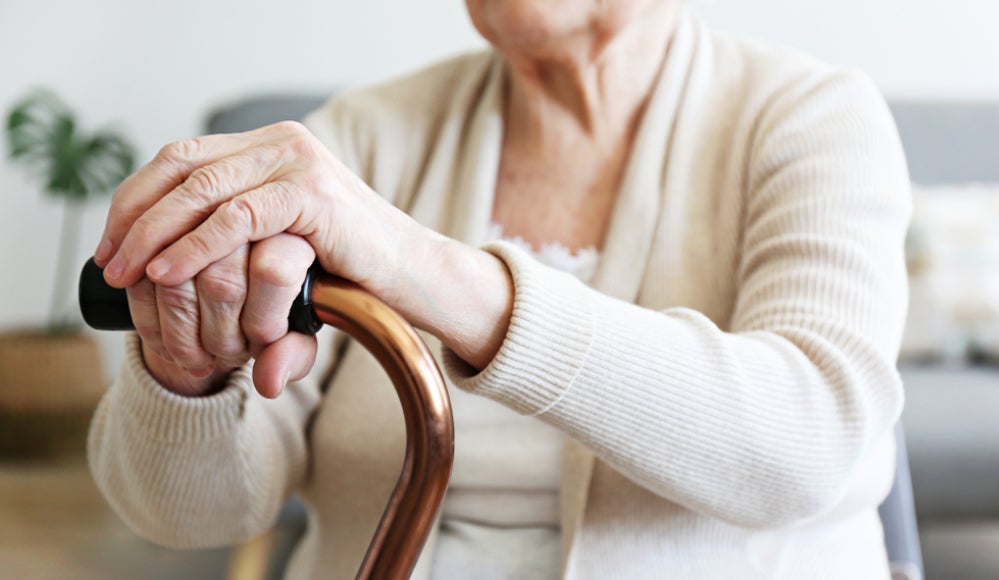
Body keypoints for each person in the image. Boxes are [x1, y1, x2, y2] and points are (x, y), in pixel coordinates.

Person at [87, 0, 912, 578]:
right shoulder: (366, 135)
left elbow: (809, 445)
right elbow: (184, 518)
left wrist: (420, 267)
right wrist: (184, 374)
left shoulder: (813, 116)